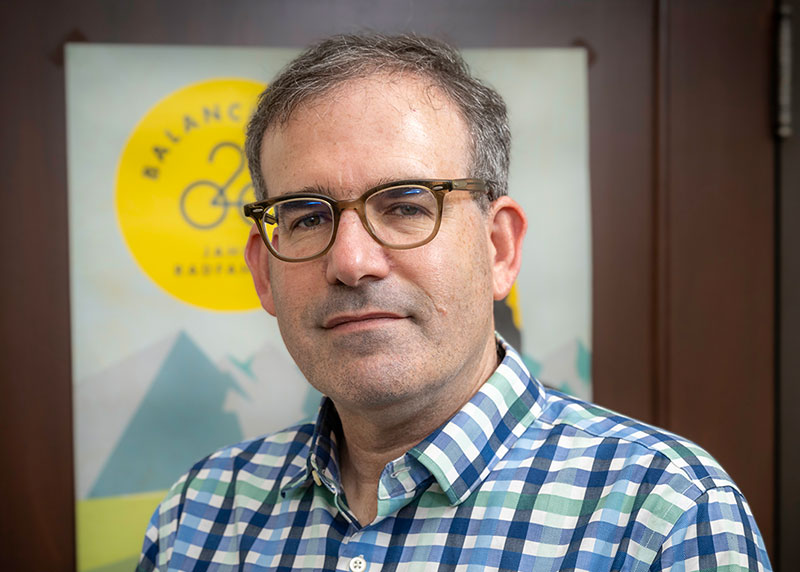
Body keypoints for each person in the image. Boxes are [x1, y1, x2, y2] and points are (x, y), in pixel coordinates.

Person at [138, 34, 771, 571]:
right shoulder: (198, 517)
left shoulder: (664, 518)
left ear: (499, 249)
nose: (352, 261)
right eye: (306, 217)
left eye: (407, 206)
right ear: (263, 272)